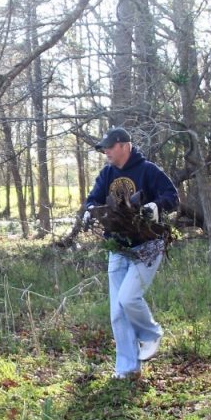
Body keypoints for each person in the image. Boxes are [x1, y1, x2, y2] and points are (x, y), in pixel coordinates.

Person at [83, 127, 179, 380]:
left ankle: (151, 334)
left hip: (148, 246)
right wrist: (89, 210)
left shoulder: (148, 170)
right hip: (118, 248)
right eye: (103, 148)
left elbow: (172, 197)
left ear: (124, 145)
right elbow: (92, 199)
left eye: (109, 147)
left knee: (128, 298)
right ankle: (127, 369)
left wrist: (153, 207)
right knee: (117, 312)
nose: (105, 152)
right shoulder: (107, 174)